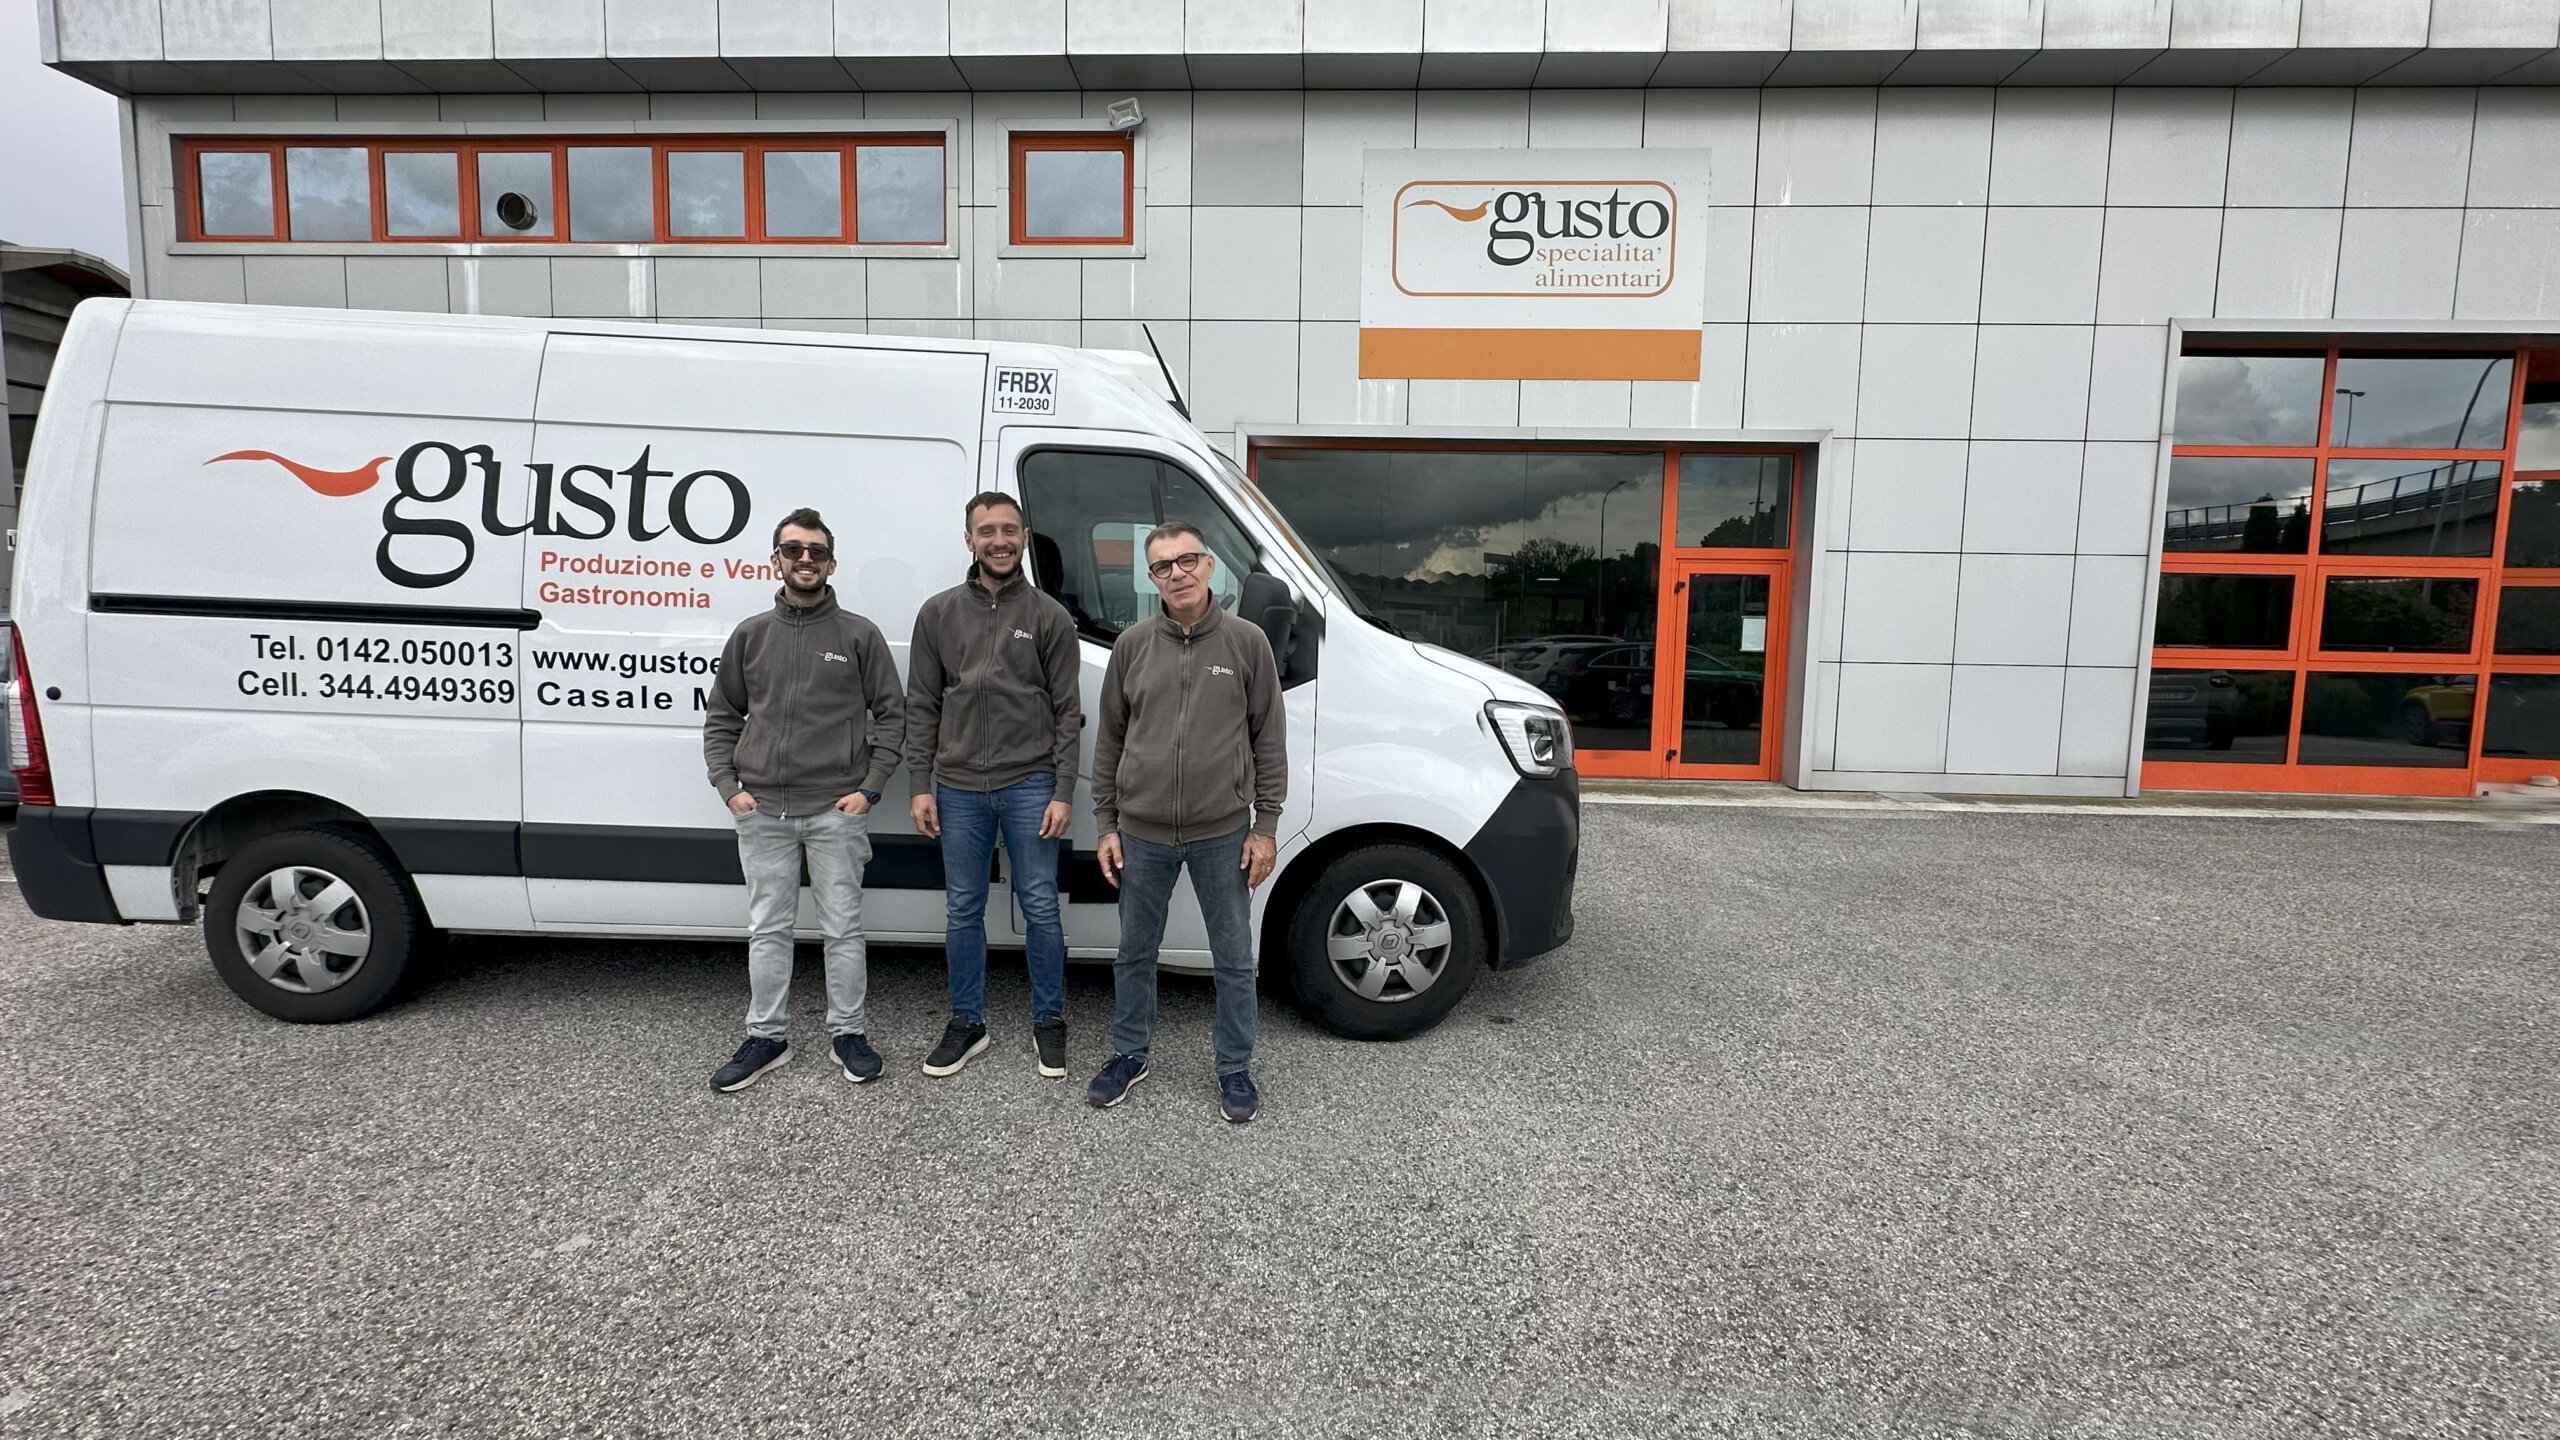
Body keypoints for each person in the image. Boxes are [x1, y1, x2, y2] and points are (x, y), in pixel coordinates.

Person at [1085, 521, 1286, 1123]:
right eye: (1162, 566)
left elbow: (1268, 740)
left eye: (1187, 560)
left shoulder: (1248, 643)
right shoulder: (1132, 646)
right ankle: (1129, 1053)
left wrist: (1266, 826)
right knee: (1134, 952)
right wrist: (1106, 823)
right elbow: (1110, 740)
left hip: (1222, 832)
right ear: (1151, 578)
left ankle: (1234, 1067)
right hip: (1141, 831)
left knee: (1233, 956)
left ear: (1209, 566)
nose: (1177, 573)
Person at [702, 507, 907, 1093]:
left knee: (843, 930)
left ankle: (849, 1034)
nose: (805, 559)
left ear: (831, 563)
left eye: (816, 551)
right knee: (768, 929)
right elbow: (723, 717)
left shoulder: (859, 635)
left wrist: (869, 788)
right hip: (762, 811)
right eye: (794, 550)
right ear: (776, 560)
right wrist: (729, 788)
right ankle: (767, 1037)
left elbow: (894, 717)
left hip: (834, 811)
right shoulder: (751, 635)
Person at [905, 491, 1082, 1080]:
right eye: (987, 531)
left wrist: (1062, 790)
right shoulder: (938, 613)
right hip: (957, 787)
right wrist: (920, 784)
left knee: (1040, 904)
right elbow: (922, 704)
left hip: (1031, 782)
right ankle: (967, 1021)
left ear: (1024, 537)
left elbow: (1068, 711)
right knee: (963, 906)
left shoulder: (1049, 617)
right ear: (970, 540)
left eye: (1009, 530)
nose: (999, 541)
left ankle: (1049, 1020)